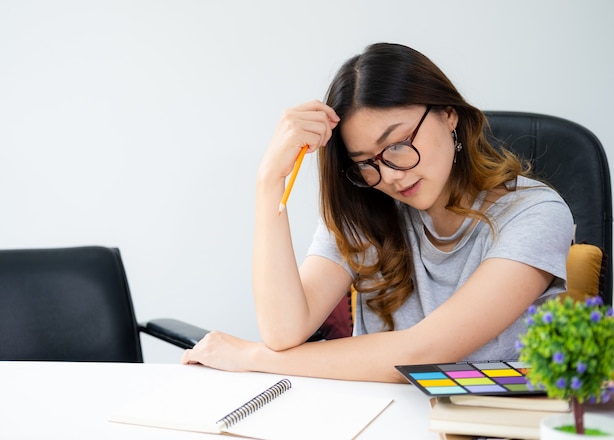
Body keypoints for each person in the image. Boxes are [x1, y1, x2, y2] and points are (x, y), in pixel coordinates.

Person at [182, 42, 574, 383]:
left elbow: (425, 354)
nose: (388, 175)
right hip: (374, 416)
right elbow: (284, 330)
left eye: (398, 143)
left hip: (494, 426)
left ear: (449, 114)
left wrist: (253, 358)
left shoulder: (534, 213)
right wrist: (269, 180)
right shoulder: (366, 208)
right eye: (366, 162)